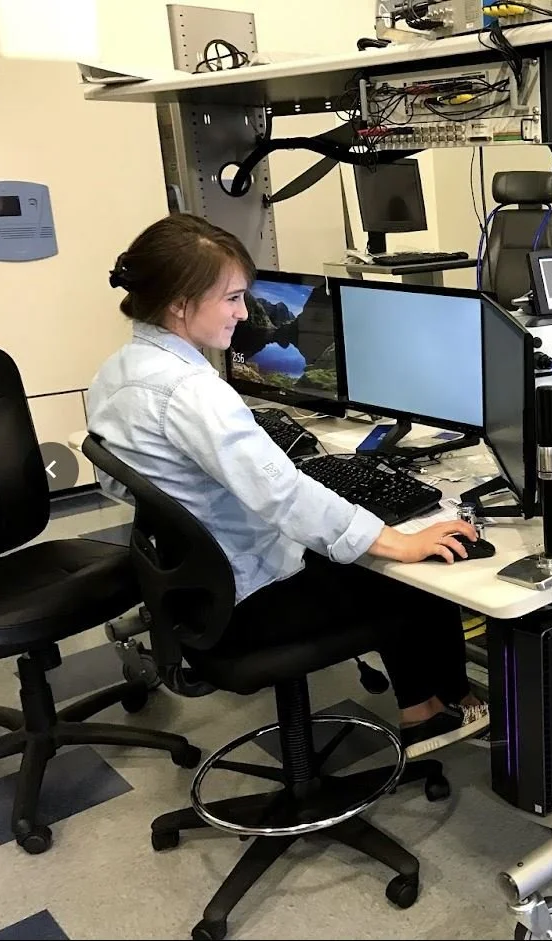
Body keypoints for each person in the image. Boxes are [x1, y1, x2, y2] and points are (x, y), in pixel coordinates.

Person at [86, 213, 489, 760]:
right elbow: (285, 495)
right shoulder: (192, 392)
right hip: (246, 603)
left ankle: (427, 702)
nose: (243, 313)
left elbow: (122, 485)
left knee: (361, 546)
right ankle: (435, 710)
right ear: (181, 303)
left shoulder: (117, 371)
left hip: (193, 589)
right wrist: (397, 541)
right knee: (409, 574)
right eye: (232, 299)